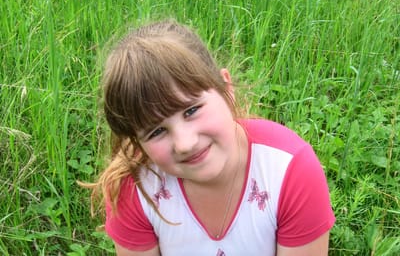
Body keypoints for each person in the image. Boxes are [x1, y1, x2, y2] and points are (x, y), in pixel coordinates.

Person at [90, 19, 335, 256]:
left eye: (191, 110)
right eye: (156, 131)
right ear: (137, 142)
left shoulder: (289, 171)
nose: (185, 144)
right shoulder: (135, 185)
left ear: (225, 88)